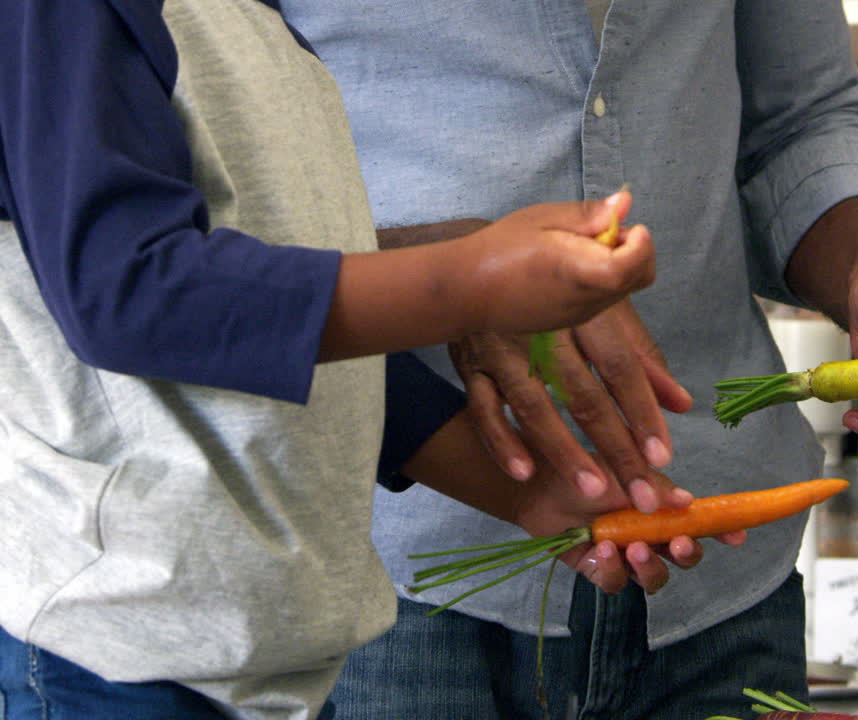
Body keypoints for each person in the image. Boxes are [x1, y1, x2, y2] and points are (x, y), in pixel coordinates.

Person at [282, 1, 858, 719]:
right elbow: (210, 230)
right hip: (394, 581)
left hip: (723, 584)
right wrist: (453, 282)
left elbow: (803, 123)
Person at [0, 2, 675, 719]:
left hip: (272, 663)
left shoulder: (259, 29)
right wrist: (470, 282)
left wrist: (528, 495)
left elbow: (286, 338)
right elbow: (130, 293)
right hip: (117, 655)